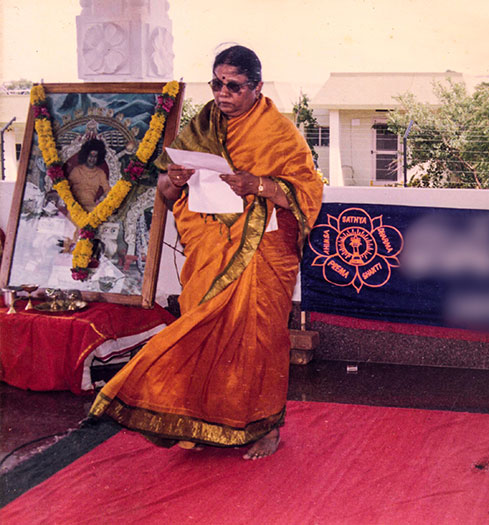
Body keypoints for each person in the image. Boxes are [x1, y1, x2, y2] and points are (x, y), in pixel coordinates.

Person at [89, 45, 324, 460]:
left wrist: (260, 186)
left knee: (259, 339)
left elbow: (307, 192)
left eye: (233, 85)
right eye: (216, 83)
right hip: (208, 249)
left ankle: (265, 426)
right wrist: (174, 180)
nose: (222, 93)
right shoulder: (201, 126)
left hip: (261, 250)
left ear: (257, 87)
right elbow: (165, 193)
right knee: (202, 330)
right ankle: (202, 422)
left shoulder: (279, 133)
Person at [68, 138, 110, 212]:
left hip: (92, 208)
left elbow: (107, 190)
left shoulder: (100, 173)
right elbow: (66, 188)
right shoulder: (77, 170)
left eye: (95, 156)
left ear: (98, 158)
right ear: (85, 156)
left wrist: (105, 199)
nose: (92, 159)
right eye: (90, 155)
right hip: (75, 207)